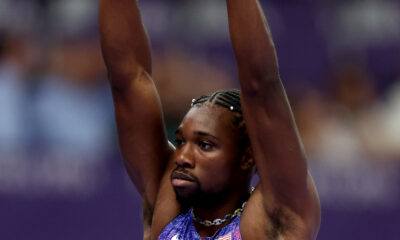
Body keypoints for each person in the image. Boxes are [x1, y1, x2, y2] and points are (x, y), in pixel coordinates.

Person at [98, 0, 321, 239]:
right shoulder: (166, 208)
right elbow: (127, 79)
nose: (182, 157)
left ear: (246, 157)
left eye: (205, 145)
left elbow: (260, 84)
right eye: (181, 141)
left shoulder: (276, 221)